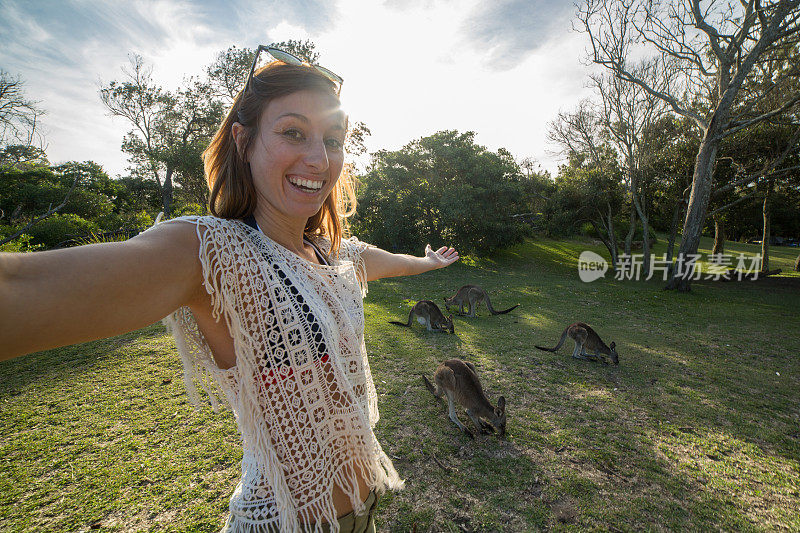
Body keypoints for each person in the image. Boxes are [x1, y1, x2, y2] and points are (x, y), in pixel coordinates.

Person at [0, 46, 459, 532]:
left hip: (364, 514)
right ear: (244, 140)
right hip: (286, 521)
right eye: (292, 132)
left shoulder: (331, 253)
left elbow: (382, 261)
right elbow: (20, 289)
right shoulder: (213, 253)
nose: (319, 158)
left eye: (332, 138)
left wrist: (426, 263)